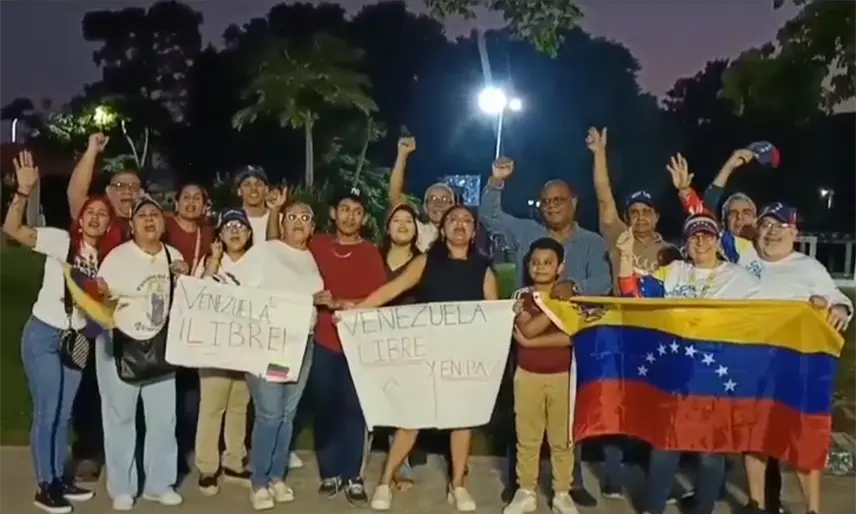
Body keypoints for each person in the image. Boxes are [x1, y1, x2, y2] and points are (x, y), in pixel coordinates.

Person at [479, 156, 610, 506]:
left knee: (566, 425)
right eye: (547, 201)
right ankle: (521, 483)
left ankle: (569, 485)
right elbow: (490, 218)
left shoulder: (591, 242)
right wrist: (496, 181)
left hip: (571, 347)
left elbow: (604, 279)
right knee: (524, 420)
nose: (552, 206)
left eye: (559, 200)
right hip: (529, 341)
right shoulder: (527, 232)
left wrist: (575, 287)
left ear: (574, 202)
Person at [356, 204, 499, 512]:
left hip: (463, 359)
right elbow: (391, 289)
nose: (460, 225)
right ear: (442, 228)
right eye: (453, 220)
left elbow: (493, 316)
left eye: (466, 221)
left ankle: (457, 485)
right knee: (411, 419)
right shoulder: (426, 262)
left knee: (463, 421)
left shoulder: (484, 269)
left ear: (474, 231)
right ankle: (385, 481)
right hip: (426, 356)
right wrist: (354, 313)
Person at [616, 213, 760, 514]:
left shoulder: (741, 278)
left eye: (707, 235)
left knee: (710, 451)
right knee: (666, 444)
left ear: (718, 240)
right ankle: (652, 507)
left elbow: (768, 316)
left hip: (718, 375)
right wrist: (626, 255)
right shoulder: (674, 271)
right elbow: (634, 294)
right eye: (694, 236)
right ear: (686, 242)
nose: (700, 241)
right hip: (676, 374)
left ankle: (702, 508)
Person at [4, 151, 108, 513]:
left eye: (102, 214)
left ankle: (59, 478)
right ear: (81, 217)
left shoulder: (104, 258)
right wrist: (22, 192)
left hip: (76, 340)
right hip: (45, 335)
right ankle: (44, 485)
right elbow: (12, 230)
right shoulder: (59, 240)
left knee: (64, 413)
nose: (95, 217)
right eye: (90, 211)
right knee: (47, 411)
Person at [742, 202, 852, 514]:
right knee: (755, 436)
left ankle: (813, 509)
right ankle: (756, 503)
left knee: (804, 440)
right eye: (766, 225)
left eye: (780, 226)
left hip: (797, 369)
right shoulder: (744, 259)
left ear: (794, 232)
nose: (772, 232)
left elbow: (837, 299)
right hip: (755, 366)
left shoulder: (809, 267)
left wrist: (840, 309)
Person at [225, 202, 328, 510]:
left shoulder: (310, 258)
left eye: (306, 217)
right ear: (282, 222)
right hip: (268, 343)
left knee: (287, 414)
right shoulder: (265, 252)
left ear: (312, 226)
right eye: (292, 216)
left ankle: (276, 476)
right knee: (269, 414)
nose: (299, 222)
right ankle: (258, 481)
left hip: (302, 343)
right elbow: (240, 291)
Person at [93, 196, 187, 511]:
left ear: (163, 224)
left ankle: (160, 484)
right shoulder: (116, 258)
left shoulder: (174, 256)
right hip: (121, 346)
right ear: (131, 225)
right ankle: (122, 487)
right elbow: (98, 304)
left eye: (155, 215)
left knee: (163, 420)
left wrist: (183, 278)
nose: (149, 220)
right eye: (142, 215)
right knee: (120, 419)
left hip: (160, 348)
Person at [66, 132, 139, 482]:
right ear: (108, 194)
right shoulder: (100, 224)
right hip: (88, 325)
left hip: (130, 325)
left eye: (134, 187)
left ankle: (130, 453)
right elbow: (75, 195)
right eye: (120, 185)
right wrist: (92, 151)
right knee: (88, 390)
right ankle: (89, 452)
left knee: (130, 388)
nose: (127, 191)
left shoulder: (148, 227)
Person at [309, 192, 389, 506]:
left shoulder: (370, 253)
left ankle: (353, 475)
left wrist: (343, 304)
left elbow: (379, 298)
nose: (350, 217)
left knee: (355, 408)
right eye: (344, 210)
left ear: (365, 219)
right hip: (324, 340)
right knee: (327, 406)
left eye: (357, 212)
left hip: (358, 343)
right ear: (333, 213)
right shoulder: (316, 245)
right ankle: (330, 471)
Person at [503, 238, 578, 514]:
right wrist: (555, 305)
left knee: (562, 439)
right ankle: (526, 491)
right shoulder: (522, 296)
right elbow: (529, 328)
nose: (541, 268)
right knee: (528, 436)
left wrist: (532, 343)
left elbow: (573, 335)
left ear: (561, 266)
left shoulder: (574, 295)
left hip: (563, 376)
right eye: (535, 262)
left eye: (548, 263)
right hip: (528, 375)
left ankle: (562, 492)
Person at [192, 209, 254, 495]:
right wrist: (214, 261)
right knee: (212, 406)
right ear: (220, 234)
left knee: (239, 405)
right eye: (228, 226)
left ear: (249, 233)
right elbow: (198, 295)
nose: (235, 231)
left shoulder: (258, 264)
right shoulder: (210, 262)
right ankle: (207, 467)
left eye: (240, 226)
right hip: (214, 349)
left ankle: (234, 461)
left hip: (245, 347)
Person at [163, 182, 215, 475]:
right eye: (187, 197)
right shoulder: (164, 227)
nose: (192, 203)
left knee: (190, 390)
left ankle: (183, 448)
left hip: (193, 319)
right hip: (164, 315)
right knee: (163, 386)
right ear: (177, 201)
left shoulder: (208, 234)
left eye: (198, 198)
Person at [376, 204, 424, 488]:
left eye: (409, 220)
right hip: (372, 341)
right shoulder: (372, 257)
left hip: (409, 341)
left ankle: (400, 462)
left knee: (406, 403)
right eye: (397, 220)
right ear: (387, 226)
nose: (403, 225)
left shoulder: (424, 262)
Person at [387, 134, 456, 251]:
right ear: (425, 206)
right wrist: (402, 155)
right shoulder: (417, 231)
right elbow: (396, 197)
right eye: (433, 199)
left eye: (445, 199)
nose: (439, 204)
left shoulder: (462, 234)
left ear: (453, 206)